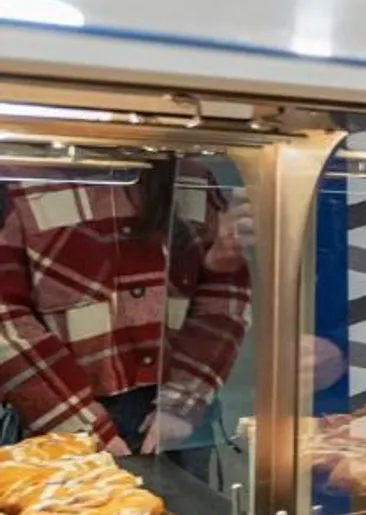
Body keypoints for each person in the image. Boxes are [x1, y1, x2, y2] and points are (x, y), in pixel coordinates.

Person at [0, 156, 252, 483]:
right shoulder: (20, 176)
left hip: (178, 421)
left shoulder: (190, 178)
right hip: (57, 416)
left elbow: (223, 292)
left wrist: (184, 398)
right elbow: (7, 316)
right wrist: (81, 428)